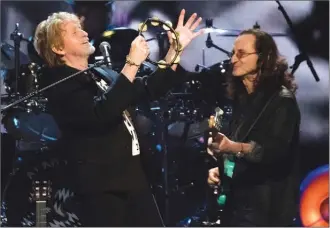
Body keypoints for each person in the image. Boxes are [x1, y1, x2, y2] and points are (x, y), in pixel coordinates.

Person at [5, 9, 203, 227]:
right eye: (74, 32)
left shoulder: (99, 74)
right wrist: (131, 63)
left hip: (133, 179)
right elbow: (101, 113)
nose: (83, 33)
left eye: (81, 28)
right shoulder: (58, 82)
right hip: (102, 188)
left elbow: (148, 88)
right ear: (58, 48)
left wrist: (175, 50)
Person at [204, 29, 301, 226]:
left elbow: (273, 152)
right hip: (238, 207)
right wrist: (222, 168)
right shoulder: (241, 100)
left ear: (263, 58)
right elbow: (237, 147)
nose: (233, 59)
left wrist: (232, 147)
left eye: (241, 53)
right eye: (233, 53)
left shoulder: (282, 101)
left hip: (264, 212)